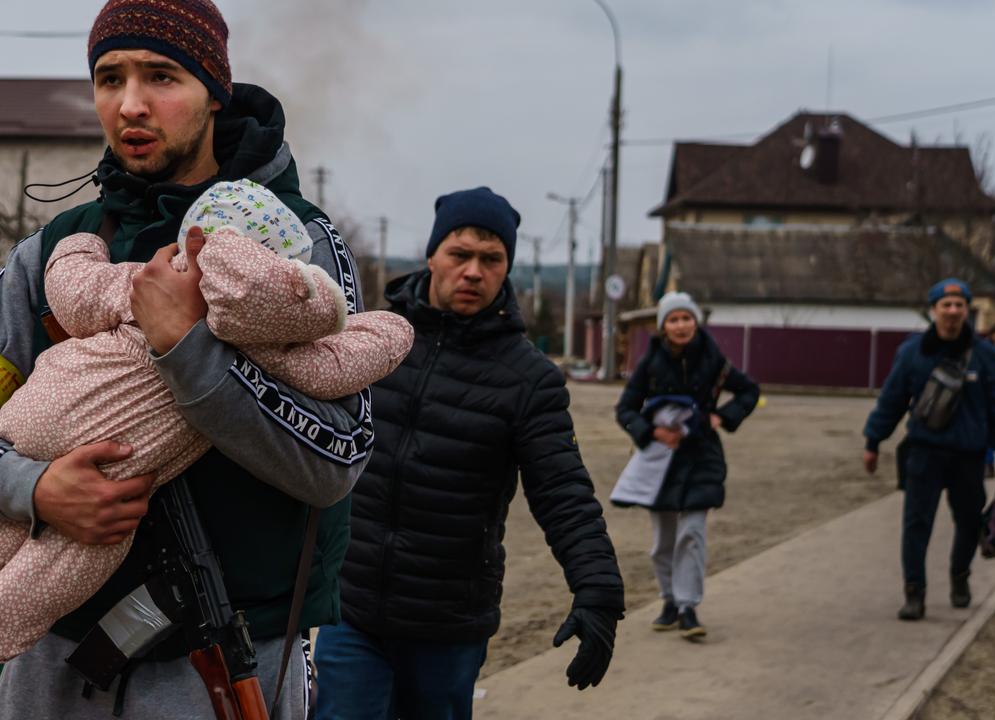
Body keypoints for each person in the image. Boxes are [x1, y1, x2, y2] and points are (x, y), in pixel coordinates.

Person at [0, 1, 373, 716]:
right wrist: (33, 488)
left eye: (161, 76)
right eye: (108, 77)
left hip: (226, 661)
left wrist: (190, 352)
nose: (130, 104)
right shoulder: (59, 249)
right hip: (53, 661)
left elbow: (337, 458)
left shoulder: (297, 251)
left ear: (215, 90)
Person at [0, 181, 412, 663]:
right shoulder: (263, 344)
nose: (133, 107)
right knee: (83, 549)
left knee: (18, 535)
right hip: (115, 469)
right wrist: (388, 328)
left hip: (35, 412)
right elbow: (331, 366)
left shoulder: (145, 278)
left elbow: (77, 292)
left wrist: (77, 246)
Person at [315, 187, 626, 720]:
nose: (474, 272)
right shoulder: (374, 343)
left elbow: (562, 490)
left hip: (448, 626)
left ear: (507, 267)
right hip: (353, 609)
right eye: (460, 255)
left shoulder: (529, 380)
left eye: (491, 259)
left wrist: (598, 590)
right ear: (432, 255)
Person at [863, 278, 995, 620]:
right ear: (933, 310)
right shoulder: (913, 353)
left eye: (959, 305)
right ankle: (914, 593)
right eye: (945, 305)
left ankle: (959, 577)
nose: (952, 311)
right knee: (916, 524)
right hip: (924, 453)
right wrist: (873, 441)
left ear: (967, 310)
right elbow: (892, 399)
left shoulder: (986, 355)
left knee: (967, 521)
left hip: (969, 456)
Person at [613, 291, 760, 641]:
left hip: (701, 457)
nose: (681, 325)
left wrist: (720, 418)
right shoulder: (650, 363)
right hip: (659, 463)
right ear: (664, 326)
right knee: (663, 541)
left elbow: (749, 391)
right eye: (674, 319)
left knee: (692, 534)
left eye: (686, 318)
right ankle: (668, 601)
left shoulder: (714, 359)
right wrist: (651, 432)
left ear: (696, 321)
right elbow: (625, 410)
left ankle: (688, 607)